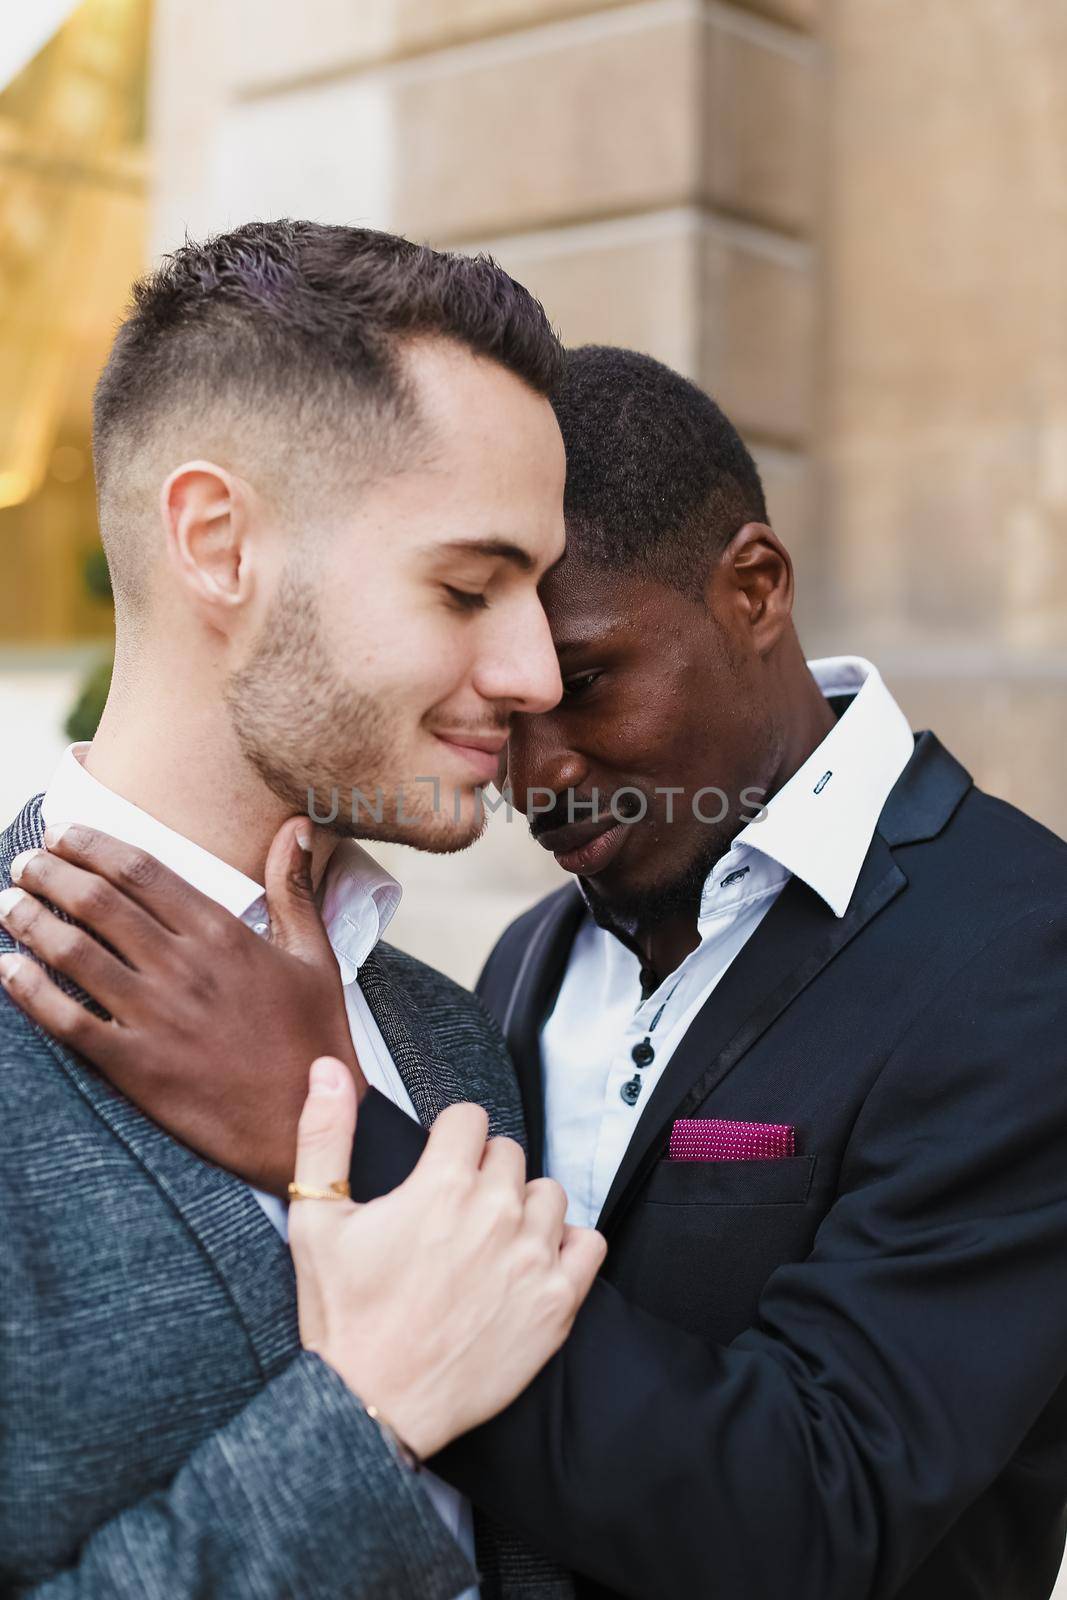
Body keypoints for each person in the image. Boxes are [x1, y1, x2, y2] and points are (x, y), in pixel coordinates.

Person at [7, 345, 1067, 1600]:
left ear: (755, 589)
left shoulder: (1018, 946)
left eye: (587, 682)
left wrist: (330, 1114)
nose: (533, 770)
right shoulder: (516, 968)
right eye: (506, 713)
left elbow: (823, 1505)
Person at [0, 221, 607, 1598]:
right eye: (467, 586)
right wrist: (365, 1422)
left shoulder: (453, 1040)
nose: (531, 673)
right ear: (218, 543)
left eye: (538, 593)